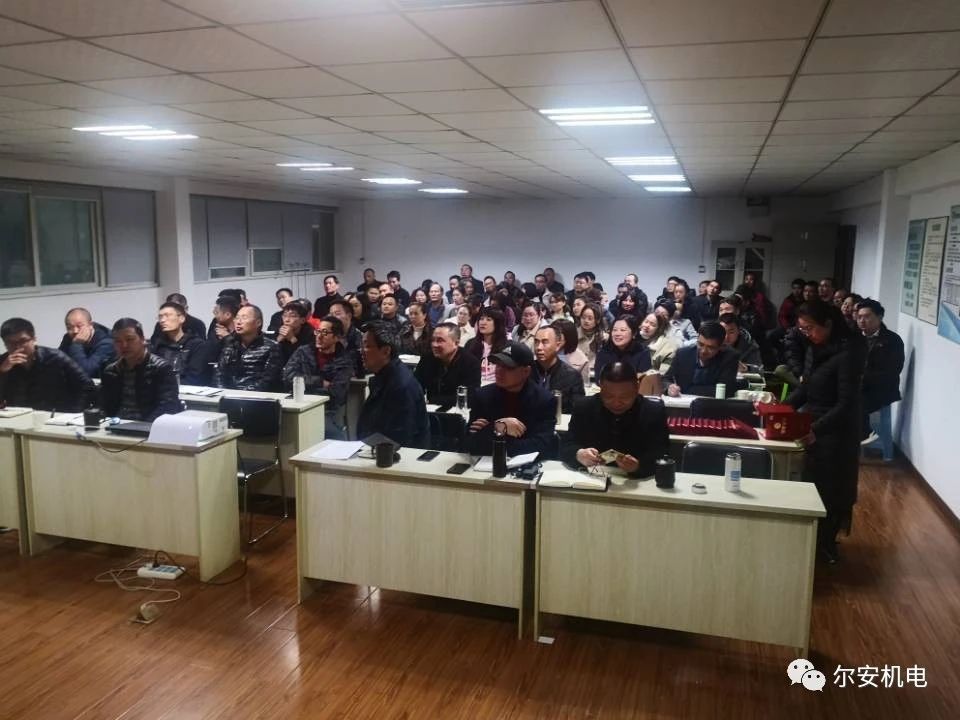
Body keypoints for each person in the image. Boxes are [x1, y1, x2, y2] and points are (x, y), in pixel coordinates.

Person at [787, 299, 866, 563]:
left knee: (832, 490)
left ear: (828, 324)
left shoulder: (848, 353)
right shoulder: (815, 348)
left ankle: (826, 545)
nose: (806, 334)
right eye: (802, 329)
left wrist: (816, 429)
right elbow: (806, 388)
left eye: (810, 328)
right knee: (812, 484)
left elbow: (846, 404)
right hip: (814, 424)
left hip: (837, 430)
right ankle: (811, 541)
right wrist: (781, 407)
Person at [562, 361, 670, 478]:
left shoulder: (653, 411)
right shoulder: (584, 407)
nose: (616, 403)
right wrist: (579, 454)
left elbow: (661, 453)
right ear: (600, 387)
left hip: (636, 480)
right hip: (591, 478)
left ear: (637, 388)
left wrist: (638, 466)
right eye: (608, 396)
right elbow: (567, 445)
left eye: (625, 397)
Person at [466, 341, 556, 457]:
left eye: (508, 367)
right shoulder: (483, 396)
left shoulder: (544, 400)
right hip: (486, 463)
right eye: (498, 365)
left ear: (526, 371)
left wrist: (490, 435)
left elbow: (542, 446)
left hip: (528, 465)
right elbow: (471, 444)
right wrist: (499, 426)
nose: (499, 370)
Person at [357, 321, 429, 448]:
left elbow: (400, 439)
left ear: (386, 351)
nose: (361, 351)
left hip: (398, 456)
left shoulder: (401, 385)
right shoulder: (383, 376)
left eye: (367, 346)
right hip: (375, 449)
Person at [282, 315, 355, 440]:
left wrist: (304, 385)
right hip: (298, 403)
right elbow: (288, 377)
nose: (319, 336)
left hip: (326, 410)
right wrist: (319, 382)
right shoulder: (303, 352)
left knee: (330, 434)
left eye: (325, 333)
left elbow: (336, 394)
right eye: (318, 331)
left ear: (337, 337)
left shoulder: (344, 361)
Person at [0, 317, 93, 412]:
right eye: (10, 342)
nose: (17, 347)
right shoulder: (3, 362)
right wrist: (2, 372)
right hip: (17, 414)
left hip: (55, 414)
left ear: (34, 339)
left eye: (23, 341)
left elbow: (86, 385)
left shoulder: (55, 357)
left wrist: (75, 411)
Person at [100, 318, 180, 421]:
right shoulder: (111, 370)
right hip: (115, 424)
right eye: (118, 341)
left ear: (143, 340)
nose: (124, 345)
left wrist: (142, 426)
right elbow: (103, 405)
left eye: (130, 339)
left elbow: (168, 407)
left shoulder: (161, 368)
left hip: (147, 425)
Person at [856, 298, 904, 443]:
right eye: (859, 317)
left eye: (867, 316)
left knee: (854, 401)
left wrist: (863, 379)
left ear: (880, 317)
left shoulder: (892, 340)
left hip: (880, 391)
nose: (862, 321)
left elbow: (892, 371)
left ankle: (868, 438)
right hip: (855, 387)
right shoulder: (853, 338)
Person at [214, 305, 282, 391]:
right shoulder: (230, 344)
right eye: (237, 318)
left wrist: (242, 394)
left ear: (258, 323)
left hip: (256, 396)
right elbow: (219, 375)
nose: (239, 322)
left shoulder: (271, 347)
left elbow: (268, 381)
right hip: (228, 395)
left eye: (244, 318)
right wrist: (224, 392)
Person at [664, 320, 739, 398]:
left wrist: (689, 389)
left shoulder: (730, 357)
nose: (704, 351)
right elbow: (665, 379)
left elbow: (726, 390)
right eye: (700, 344)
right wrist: (669, 387)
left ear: (721, 346)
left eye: (710, 347)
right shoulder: (683, 354)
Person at [414, 322, 482, 407]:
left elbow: (470, 397)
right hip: (430, 409)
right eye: (433, 340)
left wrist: (434, 401)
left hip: (457, 411)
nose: (434, 345)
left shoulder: (470, 363)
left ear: (456, 343)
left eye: (440, 340)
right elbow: (415, 386)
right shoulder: (427, 358)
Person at [150, 302, 207, 385]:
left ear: (182, 318)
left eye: (167, 316)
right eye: (160, 317)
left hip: (188, 389)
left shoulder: (196, 344)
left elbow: (194, 376)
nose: (162, 320)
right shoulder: (158, 346)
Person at [532, 325, 585, 413]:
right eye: (536, 342)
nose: (539, 347)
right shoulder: (525, 371)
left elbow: (578, 409)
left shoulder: (572, 376)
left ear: (558, 345)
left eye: (545, 342)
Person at [58, 307, 115, 379]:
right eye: (69, 327)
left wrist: (77, 344)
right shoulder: (68, 337)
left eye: (79, 326)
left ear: (90, 325)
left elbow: (86, 372)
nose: (75, 331)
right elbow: (57, 362)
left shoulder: (107, 343)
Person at [465, 306, 508, 384]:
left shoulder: (506, 346)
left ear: (498, 323)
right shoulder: (471, 344)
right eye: (481, 319)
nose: (483, 322)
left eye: (488, 319)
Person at [328, 299, 362, 377]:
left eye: (337, 314)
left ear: (349, 316)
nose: (332, 318)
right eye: (331, 314)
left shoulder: (360, 338)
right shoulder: (327, 336)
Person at [275, 301, 316, 365]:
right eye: (285, 315)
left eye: (292, 316)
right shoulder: (279, 328)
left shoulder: (310, 333)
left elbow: (307, 358)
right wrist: (278, 340)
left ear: (302, 320)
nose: (287, 320)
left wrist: (292, 339)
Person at [552, 319, 590, 386]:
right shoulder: (543, 350)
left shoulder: (582, 361)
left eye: (558, 335)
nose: (554, 338)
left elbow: (584, 386)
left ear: (568, 336)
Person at [638, 311, 677, 376]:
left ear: (659, 329)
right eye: (646, 321)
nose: (647, 326)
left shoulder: (669, 347)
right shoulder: (633, 336)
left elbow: (662, 373)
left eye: (652, 325)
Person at [577, 302, 606, 379]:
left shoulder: (603, 337)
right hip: (577, 375)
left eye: (590, 318)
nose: (586, 321)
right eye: (583, 317)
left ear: (598, 320)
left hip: (597, 375)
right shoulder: (573, 335)